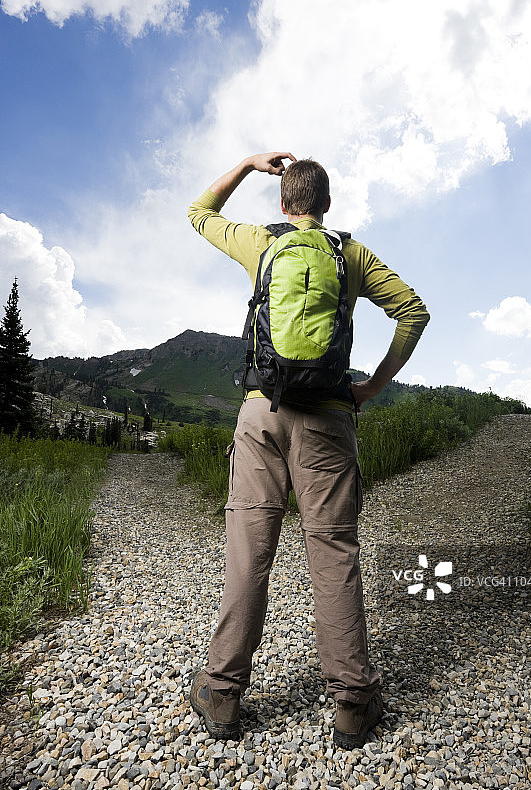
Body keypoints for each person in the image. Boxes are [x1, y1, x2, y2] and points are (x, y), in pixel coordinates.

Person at [187, 152, 430, 749]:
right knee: (333, 554)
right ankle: (352, 702)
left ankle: (221, 691)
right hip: (327, 419)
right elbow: (414, 312)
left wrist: (246, 164)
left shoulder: (259, 243)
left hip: (261, 413)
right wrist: (371, 386)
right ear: (327, 205)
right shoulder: (350, 255)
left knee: (249, 551)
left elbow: (198, 212)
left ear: (283, 202)